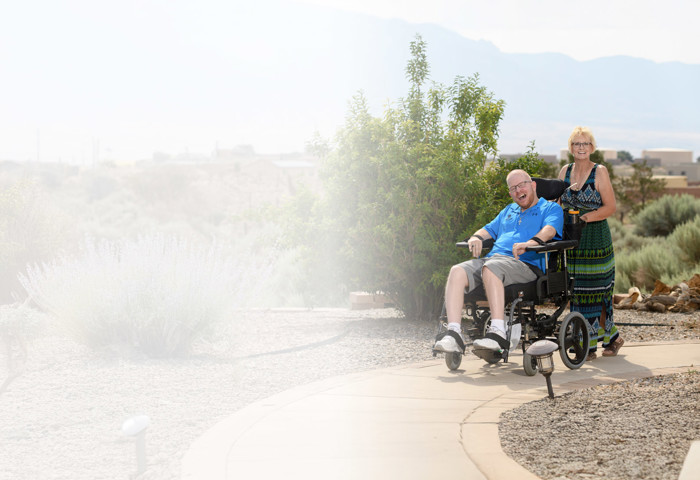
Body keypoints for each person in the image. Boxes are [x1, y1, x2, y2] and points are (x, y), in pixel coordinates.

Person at [433, 169, 564, 355]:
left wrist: (530, 243)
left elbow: (549, 230)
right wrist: (476, 237)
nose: (518, 191)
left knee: (490, 268)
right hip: (494, 260)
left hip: (525, 264)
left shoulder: (550, 208)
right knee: (457, 271)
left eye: (522, 185)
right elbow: (487, 230)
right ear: (510, 193)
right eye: (513, 188)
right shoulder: (508, 211)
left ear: (533, 185)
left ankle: (498, 333)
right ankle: (454, 334)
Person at [558, 126, 623, 360]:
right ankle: (606, 338)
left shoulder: (600, 171)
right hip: (574, 241)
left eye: (585, 144)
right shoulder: (565, 171)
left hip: (596, 238)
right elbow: (556, 203)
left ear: (592, 147)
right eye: (577, 144)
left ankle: (592, 344)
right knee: (578, 291)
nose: (581, 148)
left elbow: (610, 207)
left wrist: (585, 217)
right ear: (571, 148)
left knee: (598, 291)